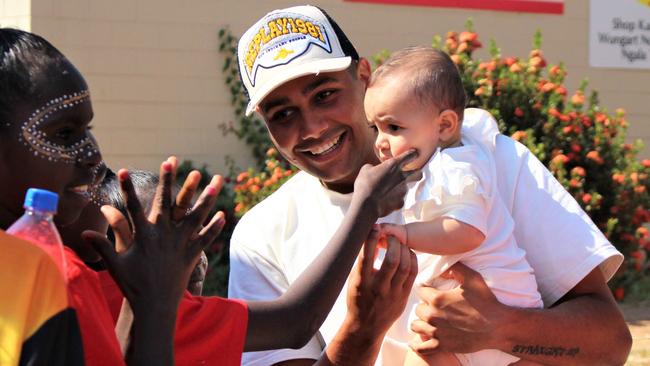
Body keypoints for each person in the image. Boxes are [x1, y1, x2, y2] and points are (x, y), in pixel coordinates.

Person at [229, 5, 632, 365]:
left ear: (365, 77)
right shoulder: (262, 236)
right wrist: (363, 328)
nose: (313, 127)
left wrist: (501, 328)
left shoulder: (487, 158)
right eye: (282, 114)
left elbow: (610, 344)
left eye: (325, 94)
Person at [0, 28, 226, 366]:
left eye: (87, 131)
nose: (93, 154)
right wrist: (156, 305)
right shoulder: (49, 277)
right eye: (64, 133)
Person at [364, 46, 543, 366]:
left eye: (393, 127)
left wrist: (404, 233)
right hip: (480, 300)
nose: (379, 141)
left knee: (421, 351)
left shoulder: (457, 167)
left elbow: (466, 232)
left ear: (444, 126)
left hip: (492, 300)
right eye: (374, 128)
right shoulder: (446, 158)